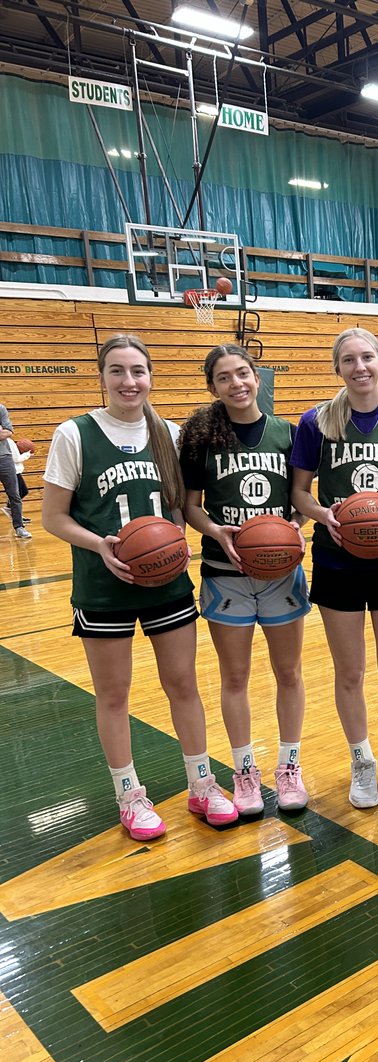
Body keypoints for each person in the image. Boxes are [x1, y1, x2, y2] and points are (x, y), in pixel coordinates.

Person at [42, 334, 238, 840]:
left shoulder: (169, 435)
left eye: (138, 371)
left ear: (150, 376)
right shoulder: (75, 434)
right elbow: (52, 518)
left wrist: (179, 538)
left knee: (183, 685)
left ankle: (202, 784)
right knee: (113, 695)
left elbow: (176, 505)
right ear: (102, 376)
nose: (129, 382)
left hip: (165, 583)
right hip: (102, 586)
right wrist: (100, 545)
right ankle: (129, 795)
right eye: (117, 371)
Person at [290, 327, 378, 809]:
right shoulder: (315, 423)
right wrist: (324, 516)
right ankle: (362, 762)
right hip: (336, 559)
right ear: (338, 368)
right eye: (349, 360)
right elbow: (299, 493)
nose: (359, 367)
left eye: (367, 357)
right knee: (349, 672)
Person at [179, 344, 312, 816]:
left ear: (258, 377)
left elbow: (300, 498)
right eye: (224, 378)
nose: (236, 383)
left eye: (243, 373)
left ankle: (289, 766)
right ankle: (244, 772)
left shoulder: (288, 434)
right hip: (224, 571)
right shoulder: (201, 439)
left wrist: (295, 526)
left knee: (289, 672)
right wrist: (216, 530)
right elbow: (190, 506)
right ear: (212, 387)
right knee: (234, 677)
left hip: (281, 574)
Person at [0, 402, 31, 539]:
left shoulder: (1, 409)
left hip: (4, 457)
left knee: (15, 494)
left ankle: (19, 527)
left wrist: (4, 432)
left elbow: (8, 431)